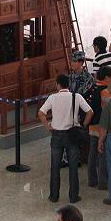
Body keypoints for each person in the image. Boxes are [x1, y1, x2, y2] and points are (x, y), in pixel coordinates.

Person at [38, 74, 94, 203]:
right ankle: (73, 196)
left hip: (57, 135)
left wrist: (48, 126)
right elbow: (90, 112)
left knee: (55, 166)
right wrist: (83, 125)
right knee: (73, 167)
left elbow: (41, 113)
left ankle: (54, 196)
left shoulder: (52, 97)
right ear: (69, 84)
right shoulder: (76, 96)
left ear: (57, 85)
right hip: (72, 134)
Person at [87, 66, 111, 189]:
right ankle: (103, 183)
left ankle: (92, 180)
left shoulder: (91, 88)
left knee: (92, 154)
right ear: (107, 77)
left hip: (92, 126)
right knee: (102, 154)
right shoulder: (105, 91)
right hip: (102, 128)